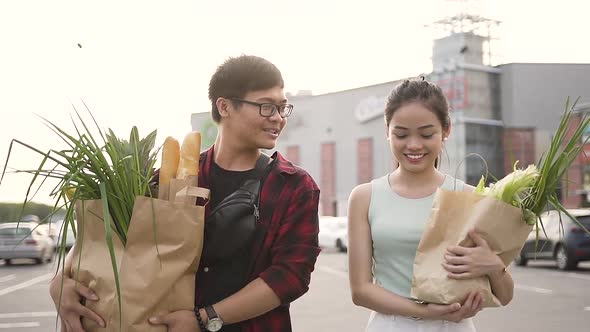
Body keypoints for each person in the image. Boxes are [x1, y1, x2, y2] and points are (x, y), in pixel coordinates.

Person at [49, 55, 321, 332]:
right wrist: (61, 279)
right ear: (225, 106)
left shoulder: (293, 186)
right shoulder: (168, 177)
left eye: (282, 107)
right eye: (266, 107)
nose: (277, 118)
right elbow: (113, 239)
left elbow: (290, 275)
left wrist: (205, 319)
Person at [347, 79, 514, 331]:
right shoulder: (365, 197)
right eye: (401, 134)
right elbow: (360, 291)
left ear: (446, 129)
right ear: (387, 130)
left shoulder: (470, 197)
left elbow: (505, 295)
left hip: (453, 326)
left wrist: (492, 264)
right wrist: (424, 311)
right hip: (391, 325)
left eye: (426, 134)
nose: (414, 145)